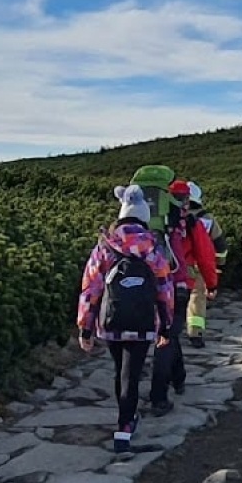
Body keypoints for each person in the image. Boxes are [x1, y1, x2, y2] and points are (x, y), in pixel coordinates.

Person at [77, 185, 175, 453]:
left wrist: (85, 327)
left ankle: (125, 420)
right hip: (144, 323)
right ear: (144, 216)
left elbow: (91, 287)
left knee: (121, 371)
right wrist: (166, 323)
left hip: (112, 322)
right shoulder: (153, 247)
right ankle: (124, 427)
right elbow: (165, 288)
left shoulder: (105, 246)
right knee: (132, 373)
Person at [148, 179, 218, 413]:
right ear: (187, 199)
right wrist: (212, 283)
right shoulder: (190, 223)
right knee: (168, 336)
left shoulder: (148, 219)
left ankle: (178, 377)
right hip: (179, 285)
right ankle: (159, 394)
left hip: (150, 284)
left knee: (169, 333)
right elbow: (206, 256)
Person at [180, 180, 226, 349]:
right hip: (196, 267)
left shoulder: (170, 217)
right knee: (196, 297)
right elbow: (219, 245)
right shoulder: (207, 219)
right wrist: (219, 265)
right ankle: (195, 333)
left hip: (173, 265)